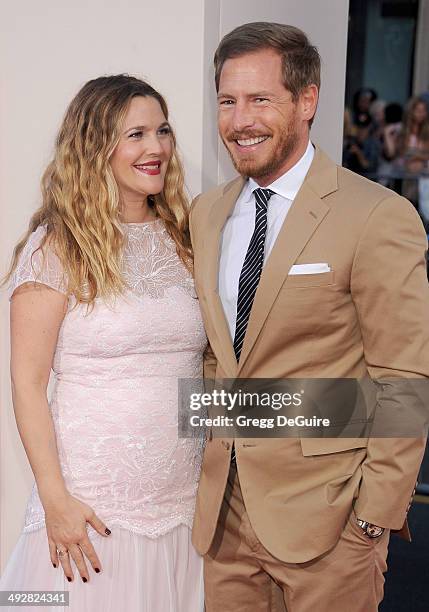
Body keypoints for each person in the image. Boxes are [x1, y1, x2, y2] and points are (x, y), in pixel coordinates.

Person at [189, 22, 429, 612]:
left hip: (330, 525)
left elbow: (403, 377)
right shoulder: (206, 213)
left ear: (307, 101)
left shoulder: (377, 214)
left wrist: (373, 517)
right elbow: (223, 358)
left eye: (260, 100)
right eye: (228, 101)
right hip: (225, 523)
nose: (239, 120)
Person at [0, 75, 206, 612]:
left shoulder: (186, 238)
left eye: (162, 130)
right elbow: (26, 384)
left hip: (184, 508)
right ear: (96, 147)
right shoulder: (57, 248)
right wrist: (54, 501)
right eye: (135, 134)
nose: (156, 147)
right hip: (90, 511)